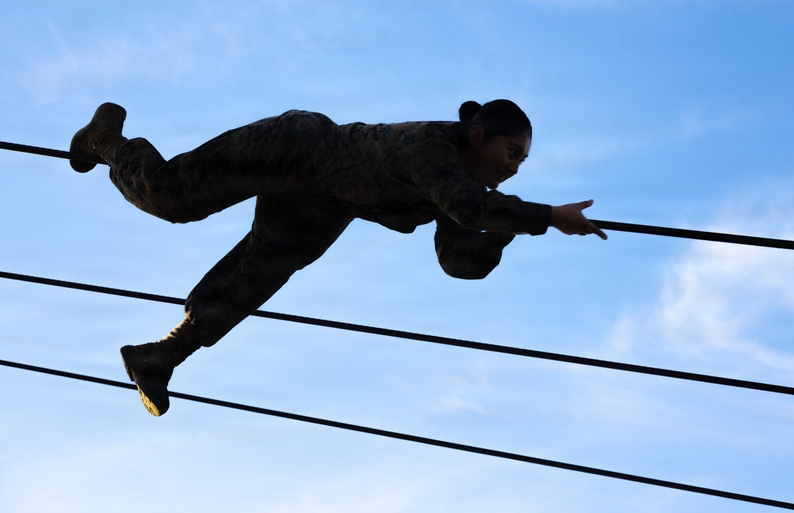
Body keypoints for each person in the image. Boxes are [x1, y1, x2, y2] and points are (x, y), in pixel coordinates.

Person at [70, 100, 607, 416]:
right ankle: (108, 141)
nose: (515, 167)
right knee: (171, 197)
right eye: (511, 153)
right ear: (476, 136)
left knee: (257, 275)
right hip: (297, 146)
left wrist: (505, 225)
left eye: (522, 161)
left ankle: (159, 357)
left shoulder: (460, 189)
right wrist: (542, 216)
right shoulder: (433, 151)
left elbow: (461, 260)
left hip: (326, 202)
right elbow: (469, 208)